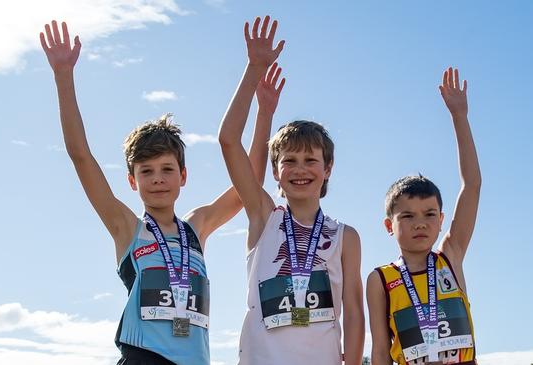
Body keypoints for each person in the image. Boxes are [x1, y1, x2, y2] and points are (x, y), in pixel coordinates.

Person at [39, 20, 276, 365]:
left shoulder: (196, 227)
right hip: (143, 358)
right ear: (133, 181)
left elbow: (247, 185)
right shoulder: (127, 228)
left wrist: (260, 94)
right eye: (146, 172)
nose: (158, 179)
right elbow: (81, 156)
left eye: (167, 170)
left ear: (183, 176)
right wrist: (63, 76)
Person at [218, 15, 365, 365]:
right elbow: (227, 140)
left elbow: (355, 310)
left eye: (311, 160)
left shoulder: (346, 236)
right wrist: (254, 69)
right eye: (290, 161)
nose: (300, 169)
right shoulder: (262, 215)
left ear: (327, 169)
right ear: (275, 172)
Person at [366, 67, 481, 365]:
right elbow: (380, 350)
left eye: (429, 214)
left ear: (441, 220)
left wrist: (459, 118)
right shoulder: (381, 279)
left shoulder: (450, 257)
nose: (420, 222)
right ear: (389, 225)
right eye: (407, 216)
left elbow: (472, 185)